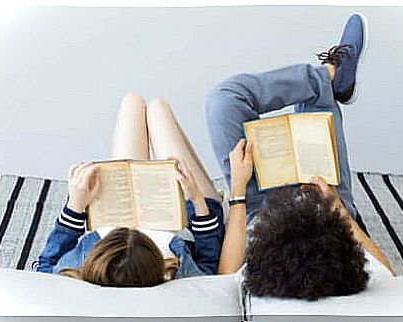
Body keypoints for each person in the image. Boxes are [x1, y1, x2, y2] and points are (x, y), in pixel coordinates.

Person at [205, 14, 395, 300]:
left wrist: (238, 192)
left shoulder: (260, 280)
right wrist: (335, 207)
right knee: (316, 107)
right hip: (324, 206)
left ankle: (326, 77)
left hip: (258, 209)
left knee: (224, 99)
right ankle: (330, 78)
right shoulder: (341, 278)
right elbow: (387, 274)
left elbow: (225, 277)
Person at [33, 95, 253, 286]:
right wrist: (196, 200)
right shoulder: (179, 273)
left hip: (124, 215)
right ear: (159, 266)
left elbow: (46, 265)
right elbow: (209, 263)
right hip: (189, 215)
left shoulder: (74, 272)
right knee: (158, 109)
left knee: (132, 103)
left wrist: (76, 205)